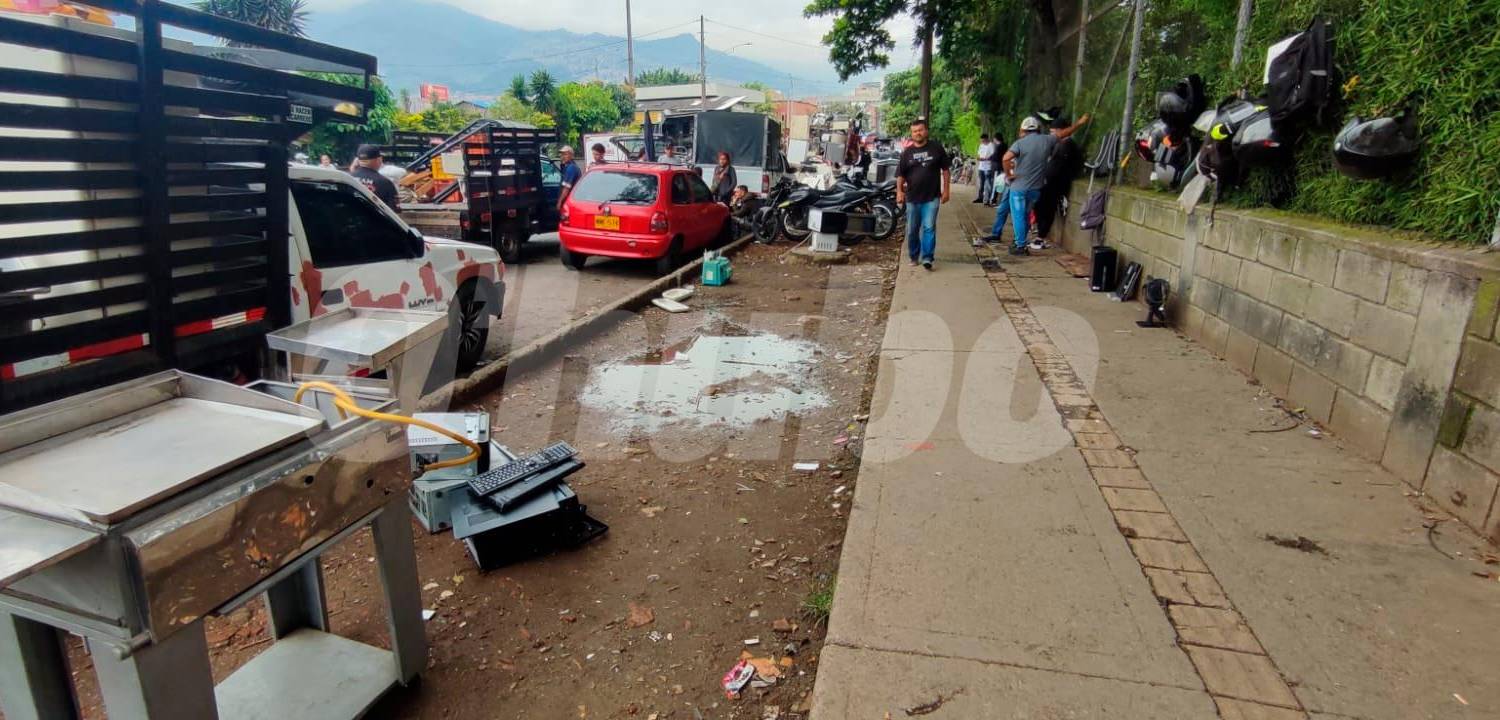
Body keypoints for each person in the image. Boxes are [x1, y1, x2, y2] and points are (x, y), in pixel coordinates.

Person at [981, 113, 1088, 254]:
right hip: (1035, 189)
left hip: (1019, 187)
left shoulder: (1020, 143)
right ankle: (1020, 242)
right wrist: (1079, 123)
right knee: (1025, 215)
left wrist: (1009, 175)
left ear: (1023, 130)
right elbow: (1064, 133)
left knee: (1018, 216)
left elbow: (1006, 158)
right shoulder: (1047, 140)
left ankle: (1020, 245)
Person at [895, 118, 951, 271]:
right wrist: (899, 191)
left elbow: (946, 171)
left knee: (929, 227)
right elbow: (900, 174)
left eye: (920, 130)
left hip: (932, 197)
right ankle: (914, 256)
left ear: (926, 131)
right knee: (912, 229)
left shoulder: (936, 148)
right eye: (914, 131)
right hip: (912, 198)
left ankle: (927, 257)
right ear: (911, 134)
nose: (917, 133)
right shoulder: (907, 153)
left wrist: (946, 190)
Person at [1032, 115, 1086, 250]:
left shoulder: (1068, 146)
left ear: (1061, 131)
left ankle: (1040, 237)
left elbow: (1062, 167)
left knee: (1047, 208)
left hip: (1056, 183)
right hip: (1048, 181)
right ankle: (1040, 234)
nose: (1051, 135)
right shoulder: (1059, 144)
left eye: (1053, 132)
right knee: (1039, 206)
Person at [351, 144, 399, 211]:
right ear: (379, 159)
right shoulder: (386, 183)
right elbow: (395, 212)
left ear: (358, 160)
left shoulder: (347, 180)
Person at [557, 145, 581, 212]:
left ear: (571, 155)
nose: (562, 156)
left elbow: (566, 188)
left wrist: (560, 202)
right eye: (561, 154)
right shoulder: (569, 167)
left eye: (565, 154)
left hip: (568, 202)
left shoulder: (571, 168)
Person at [974, 134, 996, 205]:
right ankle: (980, 197)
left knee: (988, 184)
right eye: (981, 140)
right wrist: (979, 158)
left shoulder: (991, 145)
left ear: (987, 139)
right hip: (981, 167)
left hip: (988, 167)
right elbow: (979, 154)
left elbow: (993, 155)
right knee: (981, 183)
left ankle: (988, 199)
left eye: (983, 140)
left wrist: (986, 159)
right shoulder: (981, 145)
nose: (982, 142)